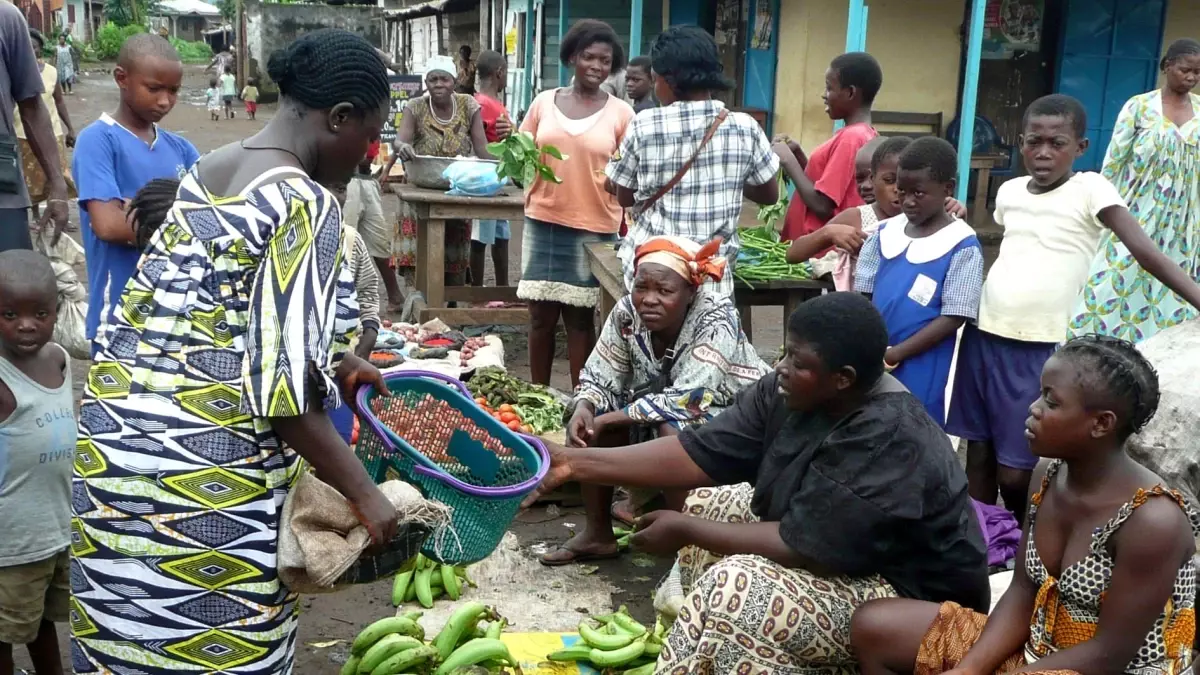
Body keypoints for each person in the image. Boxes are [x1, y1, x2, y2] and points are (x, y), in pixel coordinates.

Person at [72, 29, 400, 674]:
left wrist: (333, 360)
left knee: (125, 649)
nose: (368, 155)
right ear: (338, 118)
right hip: (204, 482)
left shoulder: (207, 169)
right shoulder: (303, 204)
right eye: (369, 134)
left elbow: (198, 319)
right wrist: (368, 497)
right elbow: (283, 398)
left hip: (114, 458)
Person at [523, 291, 989, 671]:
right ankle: (722, 656)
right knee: (711, 504)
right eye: (785, 352)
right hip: (848, 558)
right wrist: (573, 463)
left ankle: (753, 645)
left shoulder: (887, 433)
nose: (781, 367)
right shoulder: (790, 391)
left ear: (843, 379)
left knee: (737, 586)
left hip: (911, 600)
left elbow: (807, 547)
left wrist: (685, 529)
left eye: (798, 361)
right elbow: (696, 453)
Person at [851, 335, 1200, 675]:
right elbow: (1022, 591)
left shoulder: (1153, 521)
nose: (1033, 408)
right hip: (1037, 650)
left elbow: (1109, 655)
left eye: (1051, 401)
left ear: (1101, 423)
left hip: (1105, 668)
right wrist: (970, 668)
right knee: (876, 625)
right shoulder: (1048, 475)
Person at [946, 94, 1200, 520]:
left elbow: (1146, 253)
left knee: (1017, 468)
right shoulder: (1009, 192)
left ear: (1080, 148)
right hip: (984, 333)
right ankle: (982, 542)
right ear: (1021, 143)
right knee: (979, 450)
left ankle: (1025, 541)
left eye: (1057, 143)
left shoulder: (1090, 189)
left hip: (1039, 344)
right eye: (1033, 141)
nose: (1043, 153)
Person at [539, 235, 770, 566]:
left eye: (664, 291)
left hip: (735, 418)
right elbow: (600, 375)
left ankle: (688, 550)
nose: (649, 299)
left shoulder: (716, 317)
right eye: (641, 287)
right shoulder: (627, 313)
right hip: (665, 409)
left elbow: (690, 398)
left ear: (691, 292)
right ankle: (597, 534)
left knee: (673, 427)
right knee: (595, 420)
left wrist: (610, 418)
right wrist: (587, 407)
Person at [607, 25, 779, 300]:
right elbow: (770, 196)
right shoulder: (745, 126)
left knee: (651, 341)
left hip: (654, 272)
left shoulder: (645, 124)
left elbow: (624, 197)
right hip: (710, 274)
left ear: (666, 79)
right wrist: (727, 178)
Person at [518, 19, 633, 387]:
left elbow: (630, 172)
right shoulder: (542, 103)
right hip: (543, 220)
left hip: (596, 226)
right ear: (572, 58)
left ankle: (579, 401)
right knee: (540, 318)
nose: (597, 67)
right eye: (589, 57)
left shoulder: (621, 114)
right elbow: (519, 156)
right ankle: (539, 394)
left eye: (605, 60)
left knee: (581, 321)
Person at [73, 34, 198, 355]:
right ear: (121, 78)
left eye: (174, 91)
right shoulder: (98, 141)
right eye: (154, 88)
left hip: (175, 311)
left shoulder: (181, 149)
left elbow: (212, 219)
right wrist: (183, 222)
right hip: (119, 310)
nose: (165, 101)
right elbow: (109, 226)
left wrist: (138, 214)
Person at [1068, 39, 1200, 343]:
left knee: (1173, 286)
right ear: (1167, 66)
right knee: (1115, 276)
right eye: (1185, 70)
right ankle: (1091, 345)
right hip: (1136, 211)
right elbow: (1114, 164)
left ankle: (1155, 349)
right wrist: (1099, 211)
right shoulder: (1139, 107)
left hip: (1183, 222)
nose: (1191, 78)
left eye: (1197, 73)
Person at [854, 136, 983, 427]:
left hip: (923, 363)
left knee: (914, 427)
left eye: (919, 193)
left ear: (947, 189)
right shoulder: (884, 233)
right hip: (875, 357)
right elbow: (862, 296)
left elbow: (955, 316)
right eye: (902, 191)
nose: (907, 201)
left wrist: (897, 353)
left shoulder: (961, 244)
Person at [0, 250, 74, 675]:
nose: (26, 324)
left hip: (55, 529)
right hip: (13, 541)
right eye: (9, 313)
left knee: (42, 622)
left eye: (39, 313)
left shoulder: (59, 359)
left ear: (56, 311)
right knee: (5, 631)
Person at [788, 136, 969, 291]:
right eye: (891, 181)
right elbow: (793, 254)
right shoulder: (858, 218)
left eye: (913, 187)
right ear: (873, 181)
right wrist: (829, 233)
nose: (899, 191)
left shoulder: (930, 218)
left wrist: (956, 212)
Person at [386, 54, 492, 289]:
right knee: (419, 261)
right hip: (420, 190)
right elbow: (400, 140)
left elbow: (482, 149)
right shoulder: (415, 107)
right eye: (432, 80)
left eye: (444, 79)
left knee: (453, 261)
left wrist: (507, 161)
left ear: (453, 81)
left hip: (457, 190)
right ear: (426, 83)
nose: (438, 85)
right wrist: (403, 147)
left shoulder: (468, 105)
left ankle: (453, 313)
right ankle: (420, 314)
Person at [777, 51, 882, 242]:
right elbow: (828, 186)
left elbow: (823, 205)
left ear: (850, 92)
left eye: (829, 88)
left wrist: (787, 160)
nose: (824, 95)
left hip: (819, 255)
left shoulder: (851, 137)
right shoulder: (864, 134)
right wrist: (799, 157)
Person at [0, 1, 69, 253]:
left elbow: (31, 106)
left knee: (14, 282)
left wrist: (58, 185)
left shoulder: (5, 18)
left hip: (3, 190)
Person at [15, 30, 75, 222]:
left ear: (40, 49)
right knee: (30, 179)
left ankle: (57, 214)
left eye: (35, 47)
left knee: (56, 175)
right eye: (28, 48)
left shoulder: (51, 72)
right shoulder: (15, 72)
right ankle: (35, 216)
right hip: (22, 133)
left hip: (52, 133)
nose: (31, 51)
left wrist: (70, 128)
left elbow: (59, 102)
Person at [470, 49, 513, 289]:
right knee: (480, 236)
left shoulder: (489, 103)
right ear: (500, 73)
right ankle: (478, 293)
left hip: (497, 179)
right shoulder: (485, 104)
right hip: (485, 177)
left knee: (500, 235)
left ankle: (502, 290)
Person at [344, 142, 402, 311]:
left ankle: (395, 296)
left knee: (380, 242)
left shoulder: (372, 117)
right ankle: (342, 299)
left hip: (367, 179)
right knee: (346, 243)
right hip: (348, 179)